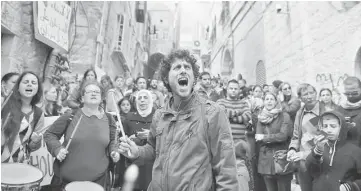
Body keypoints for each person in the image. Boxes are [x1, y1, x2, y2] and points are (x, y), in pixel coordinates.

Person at [118, 49, 239, 190]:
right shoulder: (160, 115)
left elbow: (226, 170)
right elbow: (153, 149)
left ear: (194, 78)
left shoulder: (212, 113)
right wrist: (137, 151)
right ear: (166, 78)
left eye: (187, 67)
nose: (183, 70)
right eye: (177, 67)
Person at [44, 80, 120, 189]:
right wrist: (57, 149)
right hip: (66, 183)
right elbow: (49, 134)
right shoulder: (70, 116)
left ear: (102, 98)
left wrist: (114, 151)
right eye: (89, 92)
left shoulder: (109, 118)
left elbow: (113, 140)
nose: (93, 93)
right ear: (82, 98)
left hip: (98, 182)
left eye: (97, 92)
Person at [306, 111, 361, 191]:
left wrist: (351, 186)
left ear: (342, 127)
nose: (328, 130)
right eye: (325, 126)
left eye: (333, 126)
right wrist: (317, 152)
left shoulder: (355, 151)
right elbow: (310, 170)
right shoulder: (319, 147)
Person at [216, 79, 254, 190]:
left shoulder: (243, 103)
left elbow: (248, 116)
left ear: (239, 90)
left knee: (240, 172)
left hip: (240, 143)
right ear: (227, 90)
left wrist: (230, 116)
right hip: (224, 143)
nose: (233, 91)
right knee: (226, 173)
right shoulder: (220, 102)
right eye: (231, 88)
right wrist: (238, 112)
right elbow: (221, 113)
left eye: (235, 88)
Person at [287, 84, 325, 191]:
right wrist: (292, 149)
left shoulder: (326, 112)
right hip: (303, 163)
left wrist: (304, 154)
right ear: (300, 98)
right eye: (305, 94)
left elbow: (327, 140)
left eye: (311, 93)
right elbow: (296, 136)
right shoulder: (300, 113)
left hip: (321, 161)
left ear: (316, 94)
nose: (309, 96)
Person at [1, 71, 43, 163]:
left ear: (37, 89)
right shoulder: (4, 103)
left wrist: (36, 142)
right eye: (25, 82)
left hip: (18, 165)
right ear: (18, 87)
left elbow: (32, 147)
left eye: (33, 83)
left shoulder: (38, 113)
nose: (29, 84)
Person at [256, 92, 293, 191]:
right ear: (263, 102)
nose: (269, 101)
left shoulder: (284, 116)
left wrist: (265, 137)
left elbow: (283, 136)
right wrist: (269, 138)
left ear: (276, 101)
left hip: (281, 157)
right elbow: (257, 137)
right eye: (267, 99)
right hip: (266, 160)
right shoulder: (260, 118)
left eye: (271, 99)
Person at [122, 89, 155, 191]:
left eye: (145, 98)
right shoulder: (129, 117)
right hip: (133, 162)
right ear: (136, 102)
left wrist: (150, 135)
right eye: (139, 98)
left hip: (153, 163)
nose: (142, 100)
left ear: (150, 101)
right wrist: (128, 139)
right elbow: (123, 138)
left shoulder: (158, 116)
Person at [337, 76, 361, 147]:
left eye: (354, 93)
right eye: (347, 93)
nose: (350, 96)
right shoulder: (340, 109)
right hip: (347, 151)